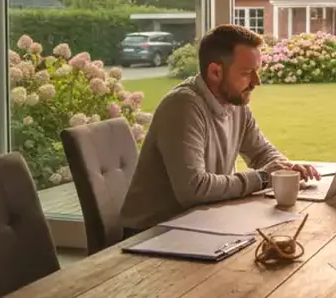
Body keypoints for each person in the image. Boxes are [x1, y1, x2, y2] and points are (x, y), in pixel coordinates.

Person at [120, 24, 320, 236]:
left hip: (200, 223)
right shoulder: (183, 106)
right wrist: (262, 177)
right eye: (247, 73)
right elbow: (193, 188)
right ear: (215, 72)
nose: (256, 82)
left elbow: (262, 152)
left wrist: (286, 169)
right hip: (153, 233)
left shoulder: (236, 103)